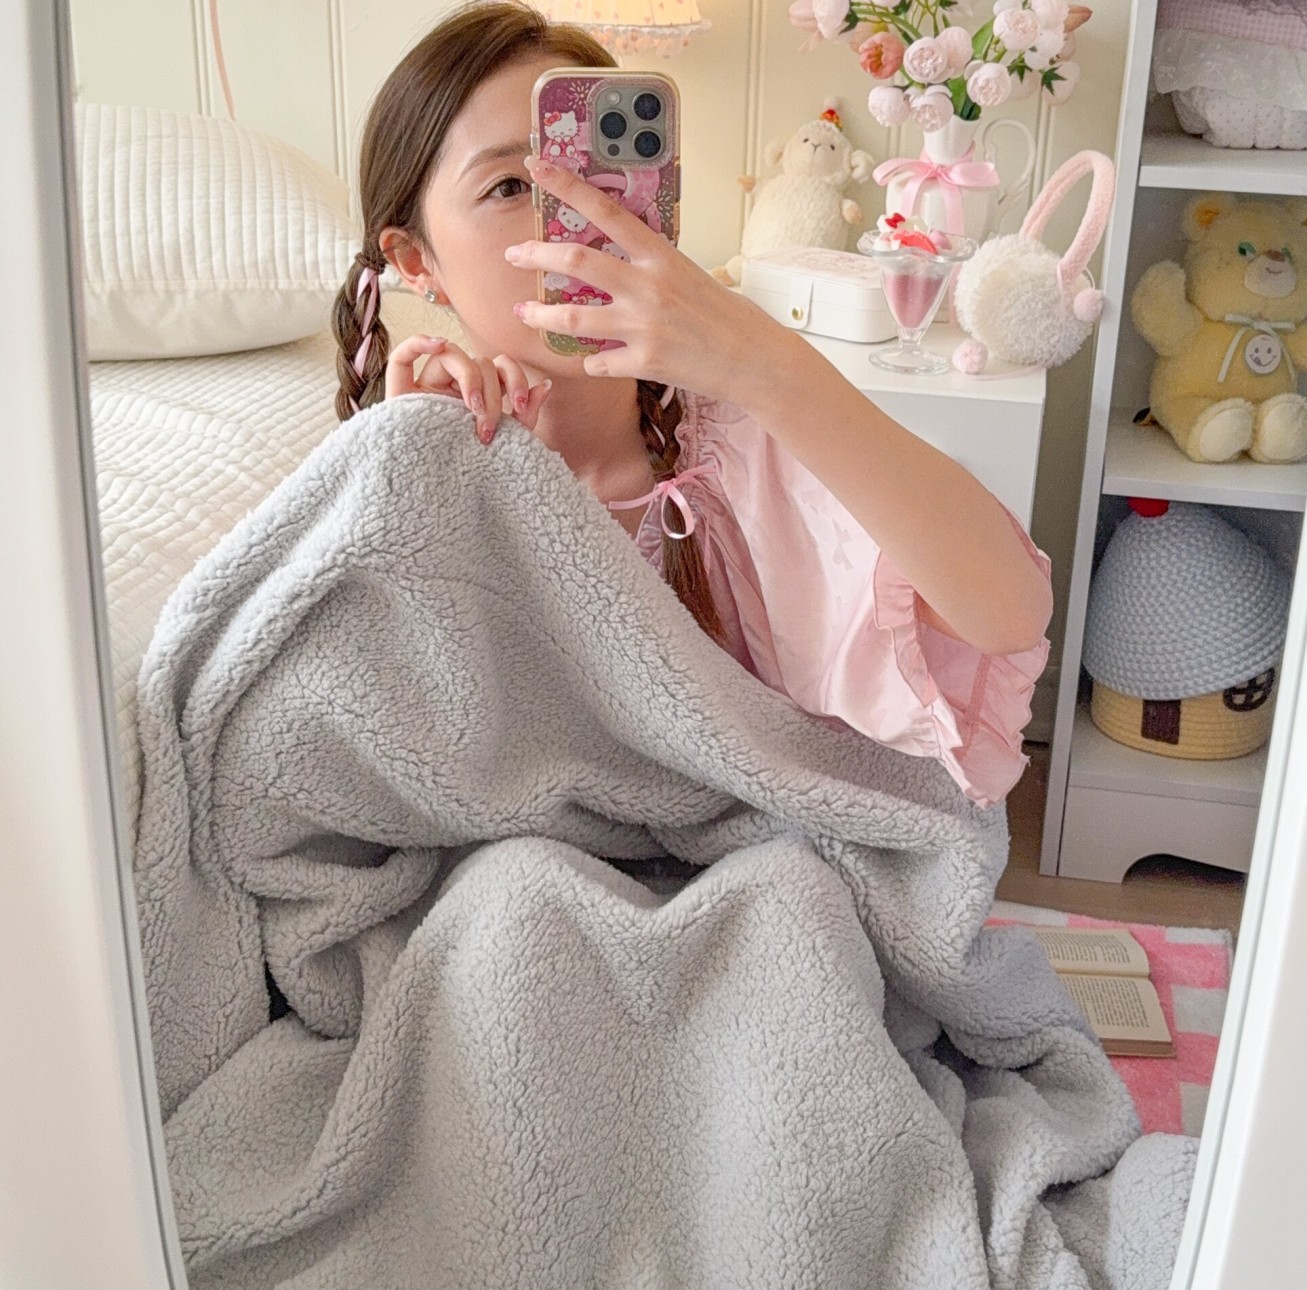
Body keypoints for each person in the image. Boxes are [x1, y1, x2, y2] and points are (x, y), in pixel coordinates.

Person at [331, 1, 1053, 808]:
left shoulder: (736, 440)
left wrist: (768, 367)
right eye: (508, 186)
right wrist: (412, 482)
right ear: (415, 262)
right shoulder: (419, 449)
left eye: (594, 173)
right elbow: (388, 749)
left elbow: (1009, 614)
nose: (575, 221)